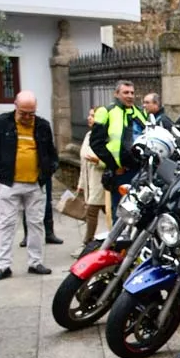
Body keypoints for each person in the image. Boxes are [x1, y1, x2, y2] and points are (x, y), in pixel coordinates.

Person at [0, 91, 58, 280]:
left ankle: (35, 262)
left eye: (30, 113)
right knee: (6, 224)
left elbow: (51, 152)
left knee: (36, 224)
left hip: (36, 184)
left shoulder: (42, 125)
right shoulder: (3, 122)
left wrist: (48, 171)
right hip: (10, 183)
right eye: (23, 112)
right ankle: (3, 266)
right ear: (15, 105)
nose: (26, 117)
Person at [89, 79, 146, 219]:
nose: (130, 96)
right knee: (121, 211)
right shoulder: (106, 112)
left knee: (140, 211)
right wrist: (114, 166)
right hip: (120, 171)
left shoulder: (140, 112)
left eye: (132, 93)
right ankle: (118, 240)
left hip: (140, 169)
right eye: (125, 92)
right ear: (116, 94)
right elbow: (96, 143)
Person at [74, 107, 106, 257]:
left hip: (101, 182)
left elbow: (111, 161)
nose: (89, 118)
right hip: (89, 182)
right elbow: (83, 163)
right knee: (107, 213)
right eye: (89, 115)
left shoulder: (105, 136)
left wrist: (98, 161)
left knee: (91, 213)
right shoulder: (88, 135)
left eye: (93, 116)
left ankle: (88, 243)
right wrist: (80, 184)